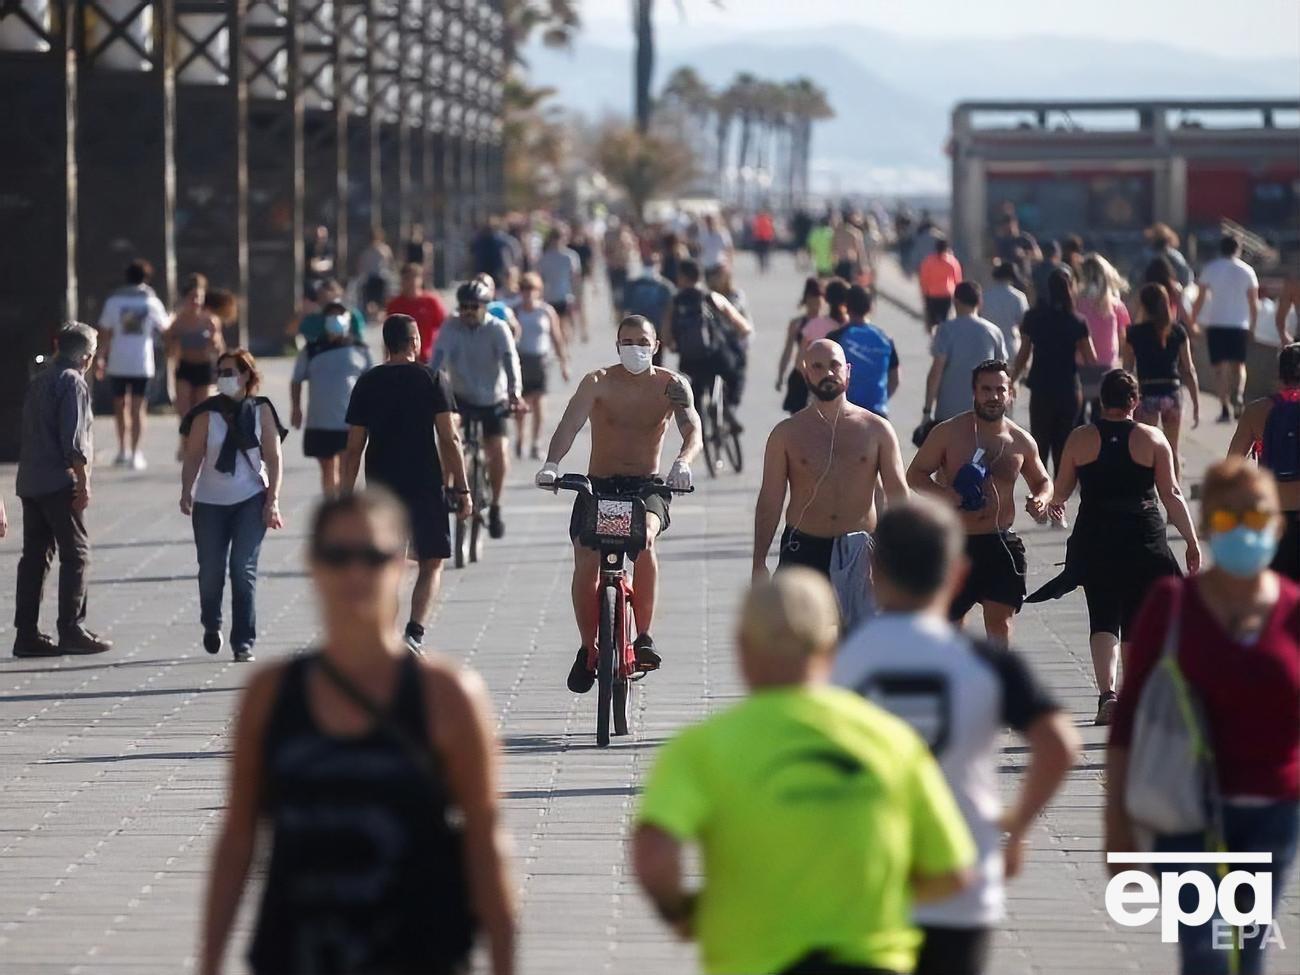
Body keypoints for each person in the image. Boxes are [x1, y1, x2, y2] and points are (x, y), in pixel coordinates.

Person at [198, 490, 516, 975]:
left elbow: (485, 841)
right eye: (337, 555)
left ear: (401, 566)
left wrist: (503, 961)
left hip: (419, 955)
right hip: (296, 954)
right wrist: (209, 961)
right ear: (313, 565)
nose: (355, 573)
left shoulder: (448, 697)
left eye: (373, 556)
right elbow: (239, 836)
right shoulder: (271, 695)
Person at [633, 570, 976, 975]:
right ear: (832, 646)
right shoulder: (892, 740)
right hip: (868, 960)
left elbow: (655, 850)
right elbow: (954, 871)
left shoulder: (702, 747)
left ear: (742, 649)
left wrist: (682, 913)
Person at [834, 499, 1080, 975]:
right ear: (957, 574)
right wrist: (1018, 824)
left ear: (873, 570)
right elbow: (1060, 744)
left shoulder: (840, 663)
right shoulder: (986, 663)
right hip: (961, 881)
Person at [1106, 459, 1299, 975]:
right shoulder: (1172, 605)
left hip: (1271, 814)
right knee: (1206, 954)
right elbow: (1126, 722)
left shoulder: (1294, 611)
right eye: (1226, 519)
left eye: (1255, 519)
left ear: (1277, 525)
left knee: (1249, 954)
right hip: (1183, 809)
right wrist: (1117, 831)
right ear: (1207, 524)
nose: (1242, 530)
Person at [1026, 370, 1200, 725]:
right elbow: (1172, 494)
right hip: (1143, 537)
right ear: (1134, 402)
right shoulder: (1152, 439)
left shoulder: (1080, 439)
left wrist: (1047, 506)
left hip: (1096, 536)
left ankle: (1107, 694)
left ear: (1101, 401)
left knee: (1103, 614)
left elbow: (1060, 492)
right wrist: (1192, 541)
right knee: (1137, 616)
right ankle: (1131, 693)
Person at [535, 315, 700, 687]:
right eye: (627, 341)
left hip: (645, 487)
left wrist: (683, 462)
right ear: (617, 345)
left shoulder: (671, 385)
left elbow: (692, 427)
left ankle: (643, 636)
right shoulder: (598, 382)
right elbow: (569, 425)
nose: (634, 348)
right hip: (600, 485)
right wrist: (551, 464)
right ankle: (587, 647)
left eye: (642, 341)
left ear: (656, 345)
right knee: (586, 558)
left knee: (646, 541)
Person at [753, 339, 908, 628]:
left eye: (834, 365)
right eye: (818, 366)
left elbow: (899, 494)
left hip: (860, 550)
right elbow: (770, 500)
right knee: (801, 641)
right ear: (806, 372)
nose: (827, 373)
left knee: (860, 642)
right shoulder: (786, 434)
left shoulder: (876, 429)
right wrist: (759, 561)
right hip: (804, 548)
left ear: (847, 370)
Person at [344, 314, 470, 653]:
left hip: (381, 487)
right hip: (424, 483)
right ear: (416, 342)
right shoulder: (432, 379)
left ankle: (383, 630)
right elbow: (449, 439)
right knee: (431, 561)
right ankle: (414, 632)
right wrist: (462, 487)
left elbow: (354, 447)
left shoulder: (367, 383)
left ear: (385, 345)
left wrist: (344, 496)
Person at [907, 360, 1052, 643]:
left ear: (1011, 393)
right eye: (986, 389)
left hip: (999, 544)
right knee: (949, 626)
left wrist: (1040, 500)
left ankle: (996, 682)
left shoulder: (1020, 441)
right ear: (974, 392)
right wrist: (946, 494)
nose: (994, 396)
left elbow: (1043, 481)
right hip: (956, 543)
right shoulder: (948, 433)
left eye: (1000, 390)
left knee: (1000, 624)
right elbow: (915, 475)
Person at [13, 322, 113, 658]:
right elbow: (74, 440)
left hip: (30, 480)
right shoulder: (73, 383)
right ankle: (71, 628)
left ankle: (26, 634)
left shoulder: (39, 380)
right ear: (86, 357)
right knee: (76, 554)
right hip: (58, 481)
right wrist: (83, 483)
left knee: (34, 558)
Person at [179, 350, 285, 663]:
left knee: (242, 569)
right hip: (210, 503)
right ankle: (211, 623)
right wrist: (186, 490)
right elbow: (194, 456)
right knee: (211, 571)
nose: (225, 377)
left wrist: (273, 499)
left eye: (231, 371)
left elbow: (274, 458)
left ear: (247, 375)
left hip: (250, 500)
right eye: (221, 372)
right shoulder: (205, 413)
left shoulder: (262, 410)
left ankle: (243, 642)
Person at [430, 280, 524, 540]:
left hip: (493, 398)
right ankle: (447, 489)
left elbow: (510, 360)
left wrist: (515, 392)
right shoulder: (451, 326)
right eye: (464, 307)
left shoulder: (498, 328)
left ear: (485, 306)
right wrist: (427, 385)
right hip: (460, 397)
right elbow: (437, 358)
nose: (469, 311)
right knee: (447, 436)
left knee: (498, 451)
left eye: (475, 306)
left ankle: (495, 505)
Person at [1011, 268, 1098, 478]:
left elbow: (1023, 355)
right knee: (1064, 448)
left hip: (1041, 389)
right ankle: (1059, 501)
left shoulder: (1033, 317)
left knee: (1040, 446)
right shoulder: (1077, 321)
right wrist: (1097, 394)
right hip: (1069, 390)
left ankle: (1042, 496)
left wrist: (1011, 380)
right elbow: (1091, 360)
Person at [1228, 343, 1300, 581]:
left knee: (1276, 601)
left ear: (1279, 374)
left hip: (1272, 519)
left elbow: (1232, 466)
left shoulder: (1256, 411)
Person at [290, 302, 373, 496]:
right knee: (327, 468)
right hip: (320, 420)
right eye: (331, 316)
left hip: (350, 421)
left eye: (340, 316)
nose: (335, 320)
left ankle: (346, 504)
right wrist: (296, 408)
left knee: (348, 465)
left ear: (347, 320)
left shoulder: (359, 349)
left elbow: (371, 382)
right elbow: (296, 380)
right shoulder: (311, 350)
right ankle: (332, 506)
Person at [95, 258, 170, 470]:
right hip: (142, 362)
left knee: (120, 407)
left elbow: (105, 332)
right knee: (139, 409)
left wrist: (100, 357)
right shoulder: (151, 302)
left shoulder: (114, 302)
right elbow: (165, 327)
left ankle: (122, 450)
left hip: (118, 362)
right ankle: (136, 453)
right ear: (145, 278)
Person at [662, 258, 753, 430]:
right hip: (716, 357)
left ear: (681, 277)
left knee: (694, 391)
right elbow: (742, 325)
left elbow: (666, 336)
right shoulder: (711, 297)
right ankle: (729, 408)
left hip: (689, 361)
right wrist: (740, 334)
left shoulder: (675, 302)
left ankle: (700, 429)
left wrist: (674, 345)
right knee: (737, 371)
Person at [1123, 283, 1200, 480]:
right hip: (1171, 394)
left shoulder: (1134, 333)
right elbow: (1188, 369)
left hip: (1147, 393)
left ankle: (1147, 494)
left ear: (1143, 305)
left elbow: (1127, 371)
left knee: (1145, 448)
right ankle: (1174, 497)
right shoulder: (1178, 331)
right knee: (1172, 449)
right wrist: (1196, 403)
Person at [1191, 235, 1260, 422]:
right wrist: (1253, 326)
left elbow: (1200, 298)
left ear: (1220, 248)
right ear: (1238, 250)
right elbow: (1254, 302)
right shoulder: (1247, 271)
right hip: (1239, 324)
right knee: (1239, 365)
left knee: (1219, 369)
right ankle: (1238, 394)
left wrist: (1193, 321)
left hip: (1217, 324)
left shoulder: (1211, 269)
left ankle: (1224, 408)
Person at [924, 281, 1008, 427]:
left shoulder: (946, 330)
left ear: (955, 301)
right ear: (979, 302)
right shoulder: (994, 332)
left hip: (949, 411)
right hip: (984, 410)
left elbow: (936, 371)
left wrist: (927, 410)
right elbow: (1004, 375)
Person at [168, 272, 226, 459]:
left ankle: (199, 447)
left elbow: (220, 347)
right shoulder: (178, 321)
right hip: (184, 367)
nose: (195, 301)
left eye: (198, 298)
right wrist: (171, 340)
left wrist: (215, 346)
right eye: (192, 298)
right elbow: (168, 348)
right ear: (186, 299)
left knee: (202, 413)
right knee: (185, 412)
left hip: (204, 369)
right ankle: (185, 445)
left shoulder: (210, 320)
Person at [513, 272, 569, 461]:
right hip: (521, 359)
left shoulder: (546, 311)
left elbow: (556, 337)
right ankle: (521, 437)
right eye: (524, 288)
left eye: (531, 289)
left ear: (538, 291)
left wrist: (563, 363)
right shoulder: (515, 310)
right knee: (522, 402)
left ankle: (536, 442)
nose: (527, 293)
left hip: (541, 360)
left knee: (538, 401)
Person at [827, 285, 900, 416]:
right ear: (870, 307)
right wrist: (881, 400)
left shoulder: (836, 338)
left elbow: (825, 375)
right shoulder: (885, 339)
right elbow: (895, 378)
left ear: (846, 307)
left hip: (846, 413)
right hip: (878, 413)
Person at [1075, 253, 1131, 420]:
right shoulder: (1115, 305)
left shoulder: (1076, 303)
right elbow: (1124, 337)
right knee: (1102, 419)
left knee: (1078, 420)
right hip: (1106, 368)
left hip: (1079, 366)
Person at [775, 277, 825, 414]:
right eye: (813, 299)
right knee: (797, 418)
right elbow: (788, 350)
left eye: (819, 299)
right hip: (800, 375)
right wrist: (781, 375)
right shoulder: (797, 324)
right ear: (806, 300)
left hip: (821, 376)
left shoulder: (828, 324)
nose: (816, 304)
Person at [385, 262, 447, 364]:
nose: (411, 282)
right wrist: (387, 359)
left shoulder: (431, 302)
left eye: (414, 278)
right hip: (402, 361)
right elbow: (388, 335)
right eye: (407, 278)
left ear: (420, 280)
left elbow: (445, 329)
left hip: (428, 359)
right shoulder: (394, 305)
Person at [537, 228, 582, 343]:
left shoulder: (570, 256)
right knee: (555, 325)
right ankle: (562, 349)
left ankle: (564, 347)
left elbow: (575, 278)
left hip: (566, 295)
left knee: (563, 323)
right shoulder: (545, 258)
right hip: (550, 296)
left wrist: (577, 296)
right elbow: (540, 278)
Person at [980, 263, 1028, 364]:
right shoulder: (1018, 297)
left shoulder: (984, 296)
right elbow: (1025, 325)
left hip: (987, 349)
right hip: (1010, 347)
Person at [1129, 221, 1193, 292]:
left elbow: (1133, 277)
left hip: (1149, 293)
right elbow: (1187, 277)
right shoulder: (1175, 255)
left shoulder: (1145, 255)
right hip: (1170, 293)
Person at [299, 278, 366, 343]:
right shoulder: (315, 319)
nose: (326, 296)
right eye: (321, 294)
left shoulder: (353, 315)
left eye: (332, 291)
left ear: (340, 293)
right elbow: (296, 331)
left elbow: (359, 339)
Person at [919, 237, 962, 331]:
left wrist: (924, 293)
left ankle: (934, 336)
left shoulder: (928, 261)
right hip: (947, 294)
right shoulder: (952, 262)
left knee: (932, 320)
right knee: (945, 319)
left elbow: (924, 279)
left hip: (932, 294)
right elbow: (957, 280)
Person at [357, 227, 394, 318]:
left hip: (382, 277)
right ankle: (370, 315)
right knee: (369, 299)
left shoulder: (385, 249)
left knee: (381, 298)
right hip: (370, 278)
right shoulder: (367, 251)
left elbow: (390, 261)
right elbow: (362, 265)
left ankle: (380, 314)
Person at [303, 224, 336, 302]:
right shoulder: (309, 249)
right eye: (318, 236)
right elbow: (310, 265)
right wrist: (319, 265)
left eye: (323, 236)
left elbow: (329, 264)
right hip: (311, 280)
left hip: (326, 279)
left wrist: (318, 265)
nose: (320, 239)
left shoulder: (328, 248)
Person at [832, 212, 867, 283]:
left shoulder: (836, 233)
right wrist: (862, 266)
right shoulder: (855, 233)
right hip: (850, 263)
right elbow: (860, 251)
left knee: (839, 285)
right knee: (849, 285)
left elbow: (833, 249)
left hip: (839, 263)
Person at [1029, 239, 1064, 306]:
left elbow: (1031, 291)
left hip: (1040, 307)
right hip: (1058, 307)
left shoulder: (1036, 270)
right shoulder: (1062, 270)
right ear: (1057, 254)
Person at [752, 208, 776, 273]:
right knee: (766, 252)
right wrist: (772, 236)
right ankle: (766, 264)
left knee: (760, 253)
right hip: (766, 238)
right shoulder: (768, 219)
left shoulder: (757, 220)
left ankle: (762, 265)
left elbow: (754, 229)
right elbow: (772, 228)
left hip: (759, 238)